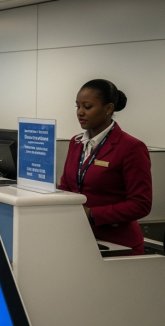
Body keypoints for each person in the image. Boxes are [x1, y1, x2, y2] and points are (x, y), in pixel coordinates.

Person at [58, 79, 151, 255]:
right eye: (77, 106)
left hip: (117, 245)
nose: (80, 112)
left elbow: (141, 204)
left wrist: (92, 214)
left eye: (87, 106)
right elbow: (66, 187)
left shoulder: (131, 147)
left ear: (108, 109)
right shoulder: (76, 142)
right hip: (78, 239)